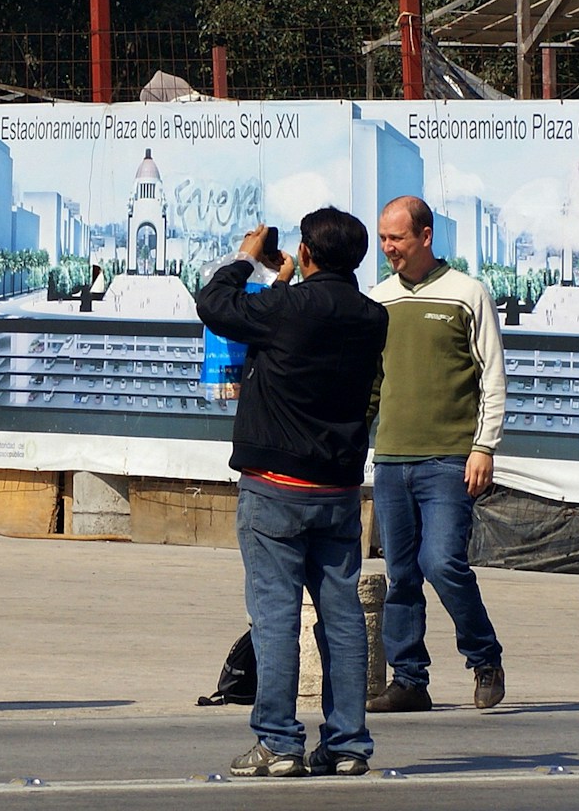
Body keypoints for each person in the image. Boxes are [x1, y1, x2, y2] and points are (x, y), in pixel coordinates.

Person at [196, 209, 389, 778]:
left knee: (275, 615)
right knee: (342, 615)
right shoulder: (371, 317)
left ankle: (279, 741)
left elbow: (216, 305)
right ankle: (348, 742)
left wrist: (247, 257)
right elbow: (295, 319)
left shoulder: (286, 309)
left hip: (275, 487)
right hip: (336, 489)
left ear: (306, 252)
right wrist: (285, 278)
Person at [366, 195, 507, 712]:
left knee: (442, 562)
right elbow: (373, 384)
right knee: (401, 573)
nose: (388, 249)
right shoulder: (378, 300)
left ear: (425, 236)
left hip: (449, 459)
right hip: (392, 459)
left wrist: (483, 446)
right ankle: (409, 680)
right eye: (383, 238)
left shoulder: (467, 294)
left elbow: (492, 376)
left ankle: (484, 656)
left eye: (396, 238)